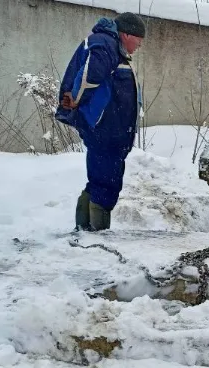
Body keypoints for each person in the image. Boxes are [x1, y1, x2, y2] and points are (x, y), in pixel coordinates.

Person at [56, 13, 145, 232]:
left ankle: (84, 230)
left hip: (107, 131)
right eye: (138, 40)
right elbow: (89, 77)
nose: (139, 45)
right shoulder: (107, 45)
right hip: (105, 131)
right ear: (126, 34)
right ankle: (98, 235)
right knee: (106, 184)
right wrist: (75, 102)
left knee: (99, 181)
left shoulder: (111, 46)